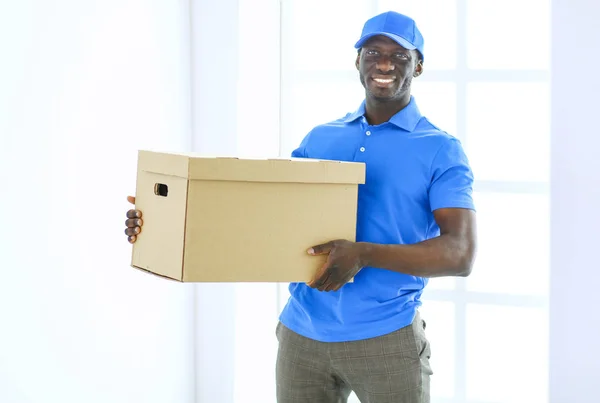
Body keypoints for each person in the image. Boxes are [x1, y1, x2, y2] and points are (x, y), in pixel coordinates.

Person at [125, 10, 477, 403]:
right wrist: (159, 222)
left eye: (399, 56)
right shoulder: (320, 138)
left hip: (386, 339)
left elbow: (459, 254)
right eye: (373, 52)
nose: (383, 63)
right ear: (356, 61)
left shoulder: (441, 149)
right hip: (301, 337)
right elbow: (267, 217)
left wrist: (363, 254)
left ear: (419, 66)